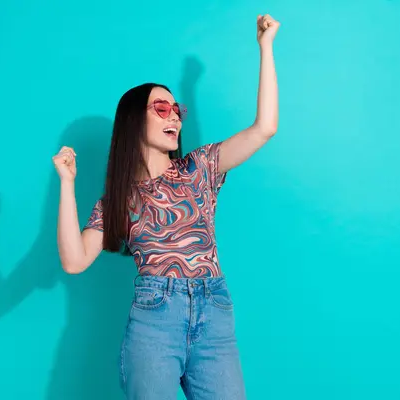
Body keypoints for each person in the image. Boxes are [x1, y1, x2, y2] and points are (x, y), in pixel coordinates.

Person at [53, 14, 279, 400]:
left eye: (177, 109)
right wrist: (67, 184)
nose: (173, 114)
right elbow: (74, 261)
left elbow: (264, 128)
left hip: (215, 313)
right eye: (161, 108)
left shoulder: (201, 167)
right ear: (132, 120)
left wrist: (266, 46)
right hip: (155, 320)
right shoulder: (118, 201)